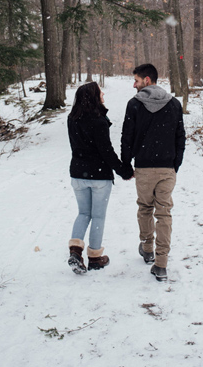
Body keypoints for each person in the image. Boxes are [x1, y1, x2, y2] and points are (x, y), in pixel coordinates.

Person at [120, 63, 186, 282]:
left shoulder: (134, 104)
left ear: (147, 80)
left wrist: (126, 164)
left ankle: (147, 248)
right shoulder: (174, 104)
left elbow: (126, 136)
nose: (134, 84)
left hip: (145, 168)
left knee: (145, 208)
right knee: (164, 213)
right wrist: (175, 163)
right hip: (167, 168)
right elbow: (180, 137)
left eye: (136, 80)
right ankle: (161, 264)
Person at [67, 81, 133, 274]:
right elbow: (106, 151)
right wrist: (123, 170)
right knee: (97, 216)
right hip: (99, 177)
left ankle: (75, 252)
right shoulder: (99, 121)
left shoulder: (72, 118)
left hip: (78, 174)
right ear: (94, 97)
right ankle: (95, 257)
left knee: (82, 213)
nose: (103, 94)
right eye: (100, 92)